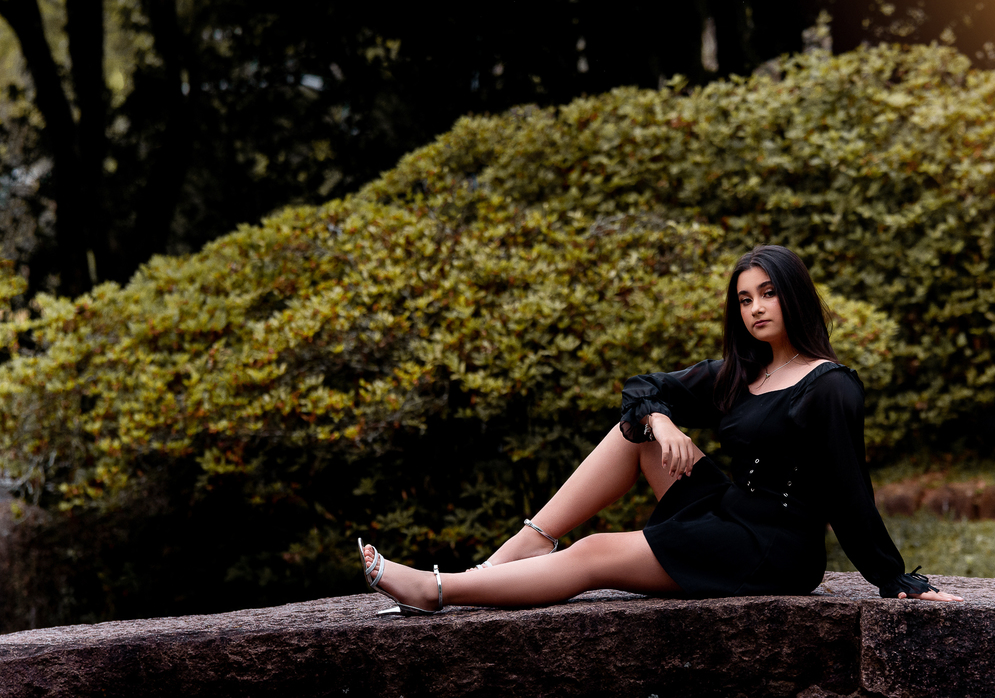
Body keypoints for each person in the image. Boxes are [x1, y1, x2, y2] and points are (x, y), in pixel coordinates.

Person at [358, 245, 963, 614]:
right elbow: (641, 387)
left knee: (596, 551)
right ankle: (530, 544)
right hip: (729, 511)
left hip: (774, 548)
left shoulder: (830, 386)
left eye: (768, 293)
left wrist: (892, 578)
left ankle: (440, 590)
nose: (756, 308)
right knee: (637, 432)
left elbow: (849, 490)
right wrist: (661, 419)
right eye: (745, 299)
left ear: (795, 297)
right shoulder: (742, 372)